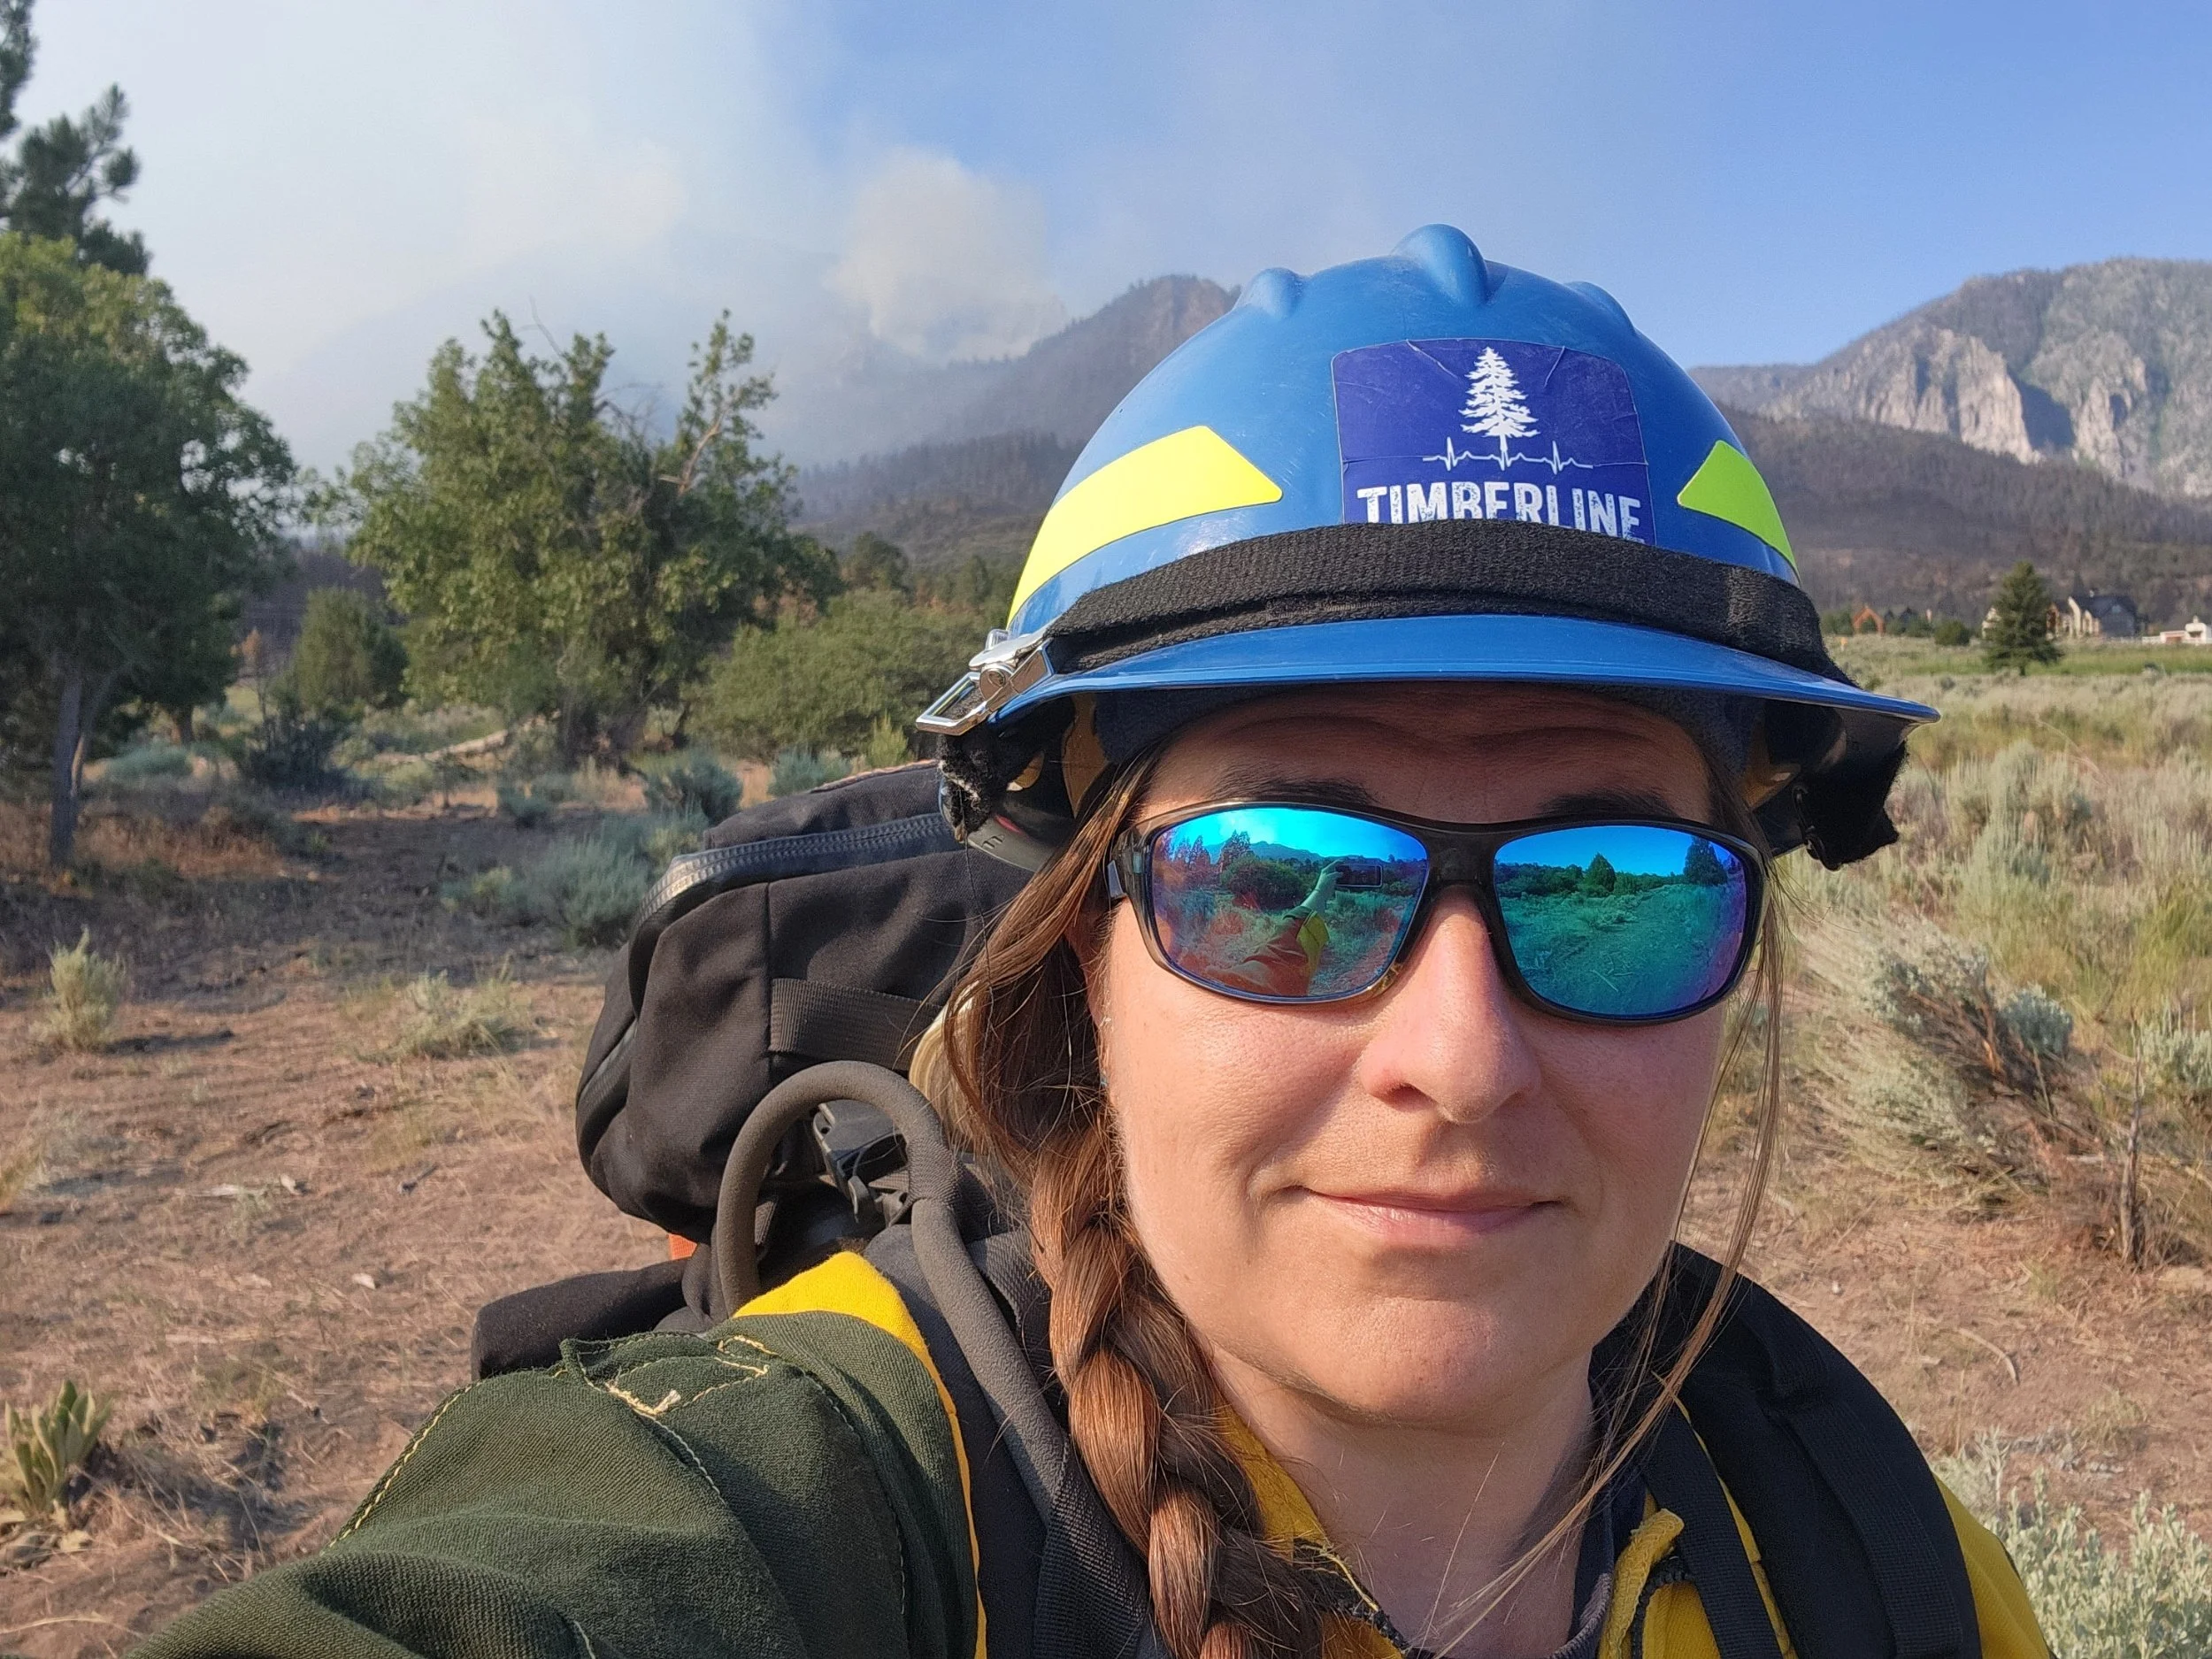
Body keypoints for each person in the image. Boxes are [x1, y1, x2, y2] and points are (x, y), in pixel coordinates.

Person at [141, 227, 2050, 1659]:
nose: (1458, 1058)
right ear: (1081, 954)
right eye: (1279, 882)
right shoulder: (831, 1507)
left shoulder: (1869, 1555)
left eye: (1611, 894)